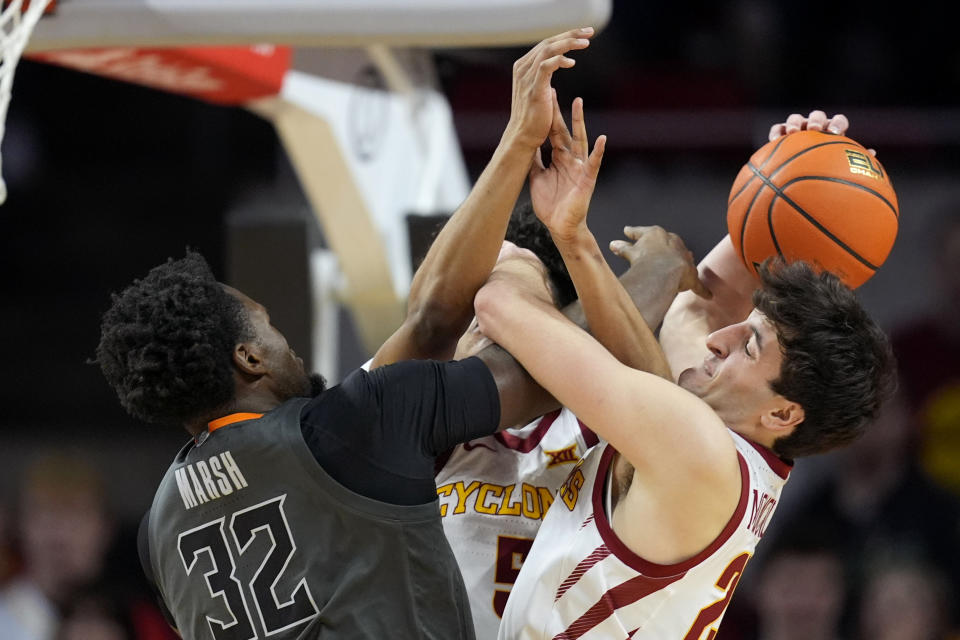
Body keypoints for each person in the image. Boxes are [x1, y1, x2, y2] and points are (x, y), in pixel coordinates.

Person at [95, 29, 619, 640]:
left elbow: (428, 324)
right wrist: (586, 270)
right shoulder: (353, 426)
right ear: (249, 359)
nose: (288, 344)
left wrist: (515, 145)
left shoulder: (156, 528)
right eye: (271, 328)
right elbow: (556, 369)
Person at [475, 112, 896, 639]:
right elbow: (701, 306)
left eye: (748, 343)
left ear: (784, 411)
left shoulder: (697, 450)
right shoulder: (740, 445)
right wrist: (793, 183)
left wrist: (531, 258)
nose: (721, 339)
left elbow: (500, 306)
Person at [365, 83, 705, 637]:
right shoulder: (415, 403)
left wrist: (790, 159)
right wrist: (653, 275)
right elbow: (430, 316)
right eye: (474, 314)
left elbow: (667, 375)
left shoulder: (612, 406)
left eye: (497, 312)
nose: (483, 325)